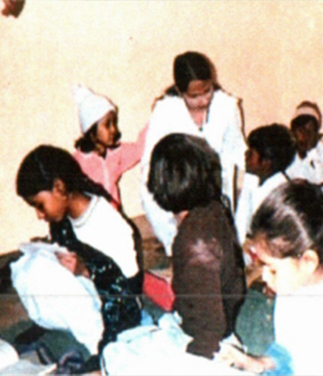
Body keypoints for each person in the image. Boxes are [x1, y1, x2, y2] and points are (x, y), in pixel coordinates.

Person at [102, 134, 246, 374]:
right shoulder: (214, 208)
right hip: (207, 329)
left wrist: (183, 362)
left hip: (210, 348)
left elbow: (210, 329)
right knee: (125, 345)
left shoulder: (192, 240)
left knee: (117, 357)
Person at [217, 181, 323, 376]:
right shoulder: (291, 289)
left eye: (273, 269)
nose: (265, 277)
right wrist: (255, 363)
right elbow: (289, 355)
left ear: (308, 261)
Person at [13, 145, 142, 370]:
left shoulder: (110, 224)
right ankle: (49, 322)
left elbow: (128, 289)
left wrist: (89, 270)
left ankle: (99, 350)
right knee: (25, 267)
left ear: (59, 188)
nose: (39, 214)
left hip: (117, 309)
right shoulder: (63, 219)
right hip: (88, 294)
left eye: (40, 205)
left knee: (45, 273)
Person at [141, 51, 246, 255]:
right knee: (151, 197)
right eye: (194, 96)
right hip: (179, 186)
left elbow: (235, 153)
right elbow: (151, 163)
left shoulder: (226, 106)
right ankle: (175, 247)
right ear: (180, 91)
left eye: (208, 91)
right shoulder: (165, 111)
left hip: (214, 188)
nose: (203, 100)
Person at [73, 85, 147, 211]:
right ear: (91, 130)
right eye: (108, 125)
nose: (114, 129)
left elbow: (139, 149)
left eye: (115, 123)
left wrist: (155, 121)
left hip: (115, 217)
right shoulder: (78, 162)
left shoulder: (116, 153)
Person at [235, 124, 296, 246]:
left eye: (251, 153)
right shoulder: (250, 178)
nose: (245, 155)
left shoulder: (280, 193)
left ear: (266, 163)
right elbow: (240, 219)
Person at [285, 101, 323, 184]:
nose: (305, 136)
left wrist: (310, 154)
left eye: (310, 132)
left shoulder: (321, 149)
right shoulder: (287, 150)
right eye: (301, 130)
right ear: (293, 132)